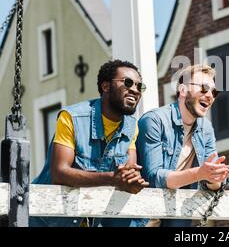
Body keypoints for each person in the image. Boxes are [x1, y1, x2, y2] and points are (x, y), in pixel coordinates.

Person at [31, 60, 149, 227]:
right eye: (127, 83)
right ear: (106, 86)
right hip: (47, 220)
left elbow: (128, 173)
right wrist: (112, 179)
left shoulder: (132, 126)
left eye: (140, 86)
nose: (135, 90)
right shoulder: (71, 117)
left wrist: (131, 181)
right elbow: (60, 173)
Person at [136, 64, 229, 227]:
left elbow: (210, 184)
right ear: (182, 90)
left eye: (214, 92)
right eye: (204, 88)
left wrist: (215, 178)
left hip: (178, 216)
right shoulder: (154, 120)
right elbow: (154, 177)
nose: (209, 95)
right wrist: (199, 173)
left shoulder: (206, 128)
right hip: (143, 215)